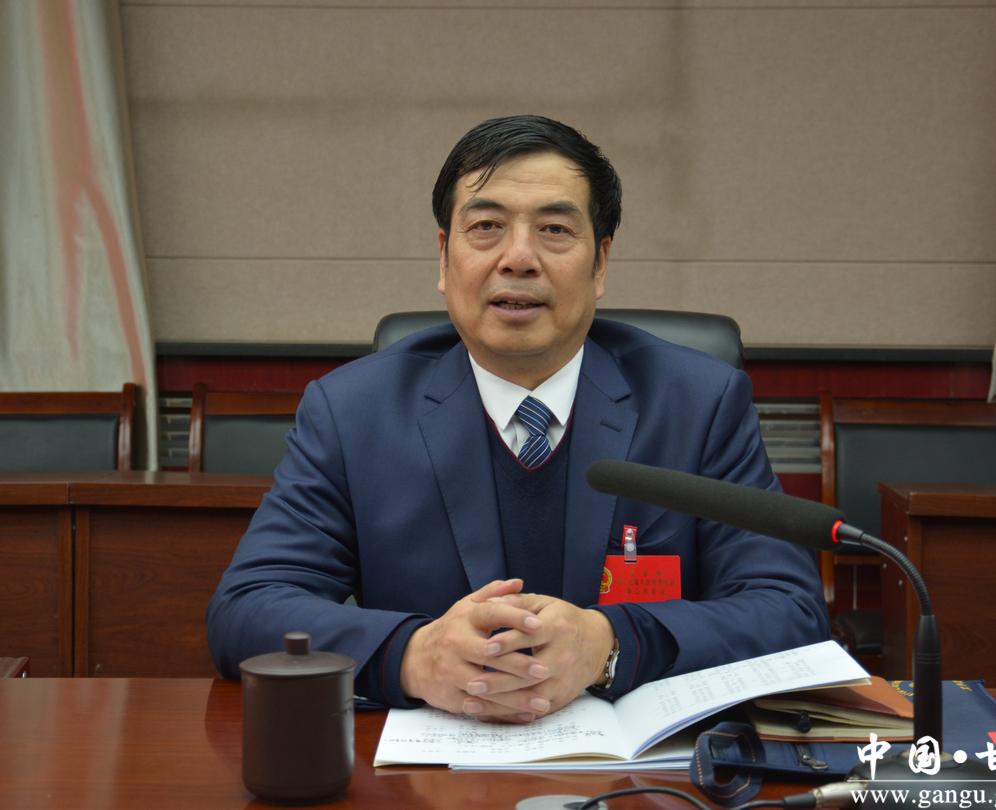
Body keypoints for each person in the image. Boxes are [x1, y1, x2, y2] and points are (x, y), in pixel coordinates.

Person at [206, 115, 829, 723]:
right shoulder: (353, 412)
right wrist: (414, 655)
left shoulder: (697, 403)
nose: (519, 258)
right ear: (444, 259)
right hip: (429, 768)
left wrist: (610, 642)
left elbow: (791, 610)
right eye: (486, 227)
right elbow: (247, 609)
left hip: (640, 770)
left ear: (600, 264)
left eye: (555, 230)